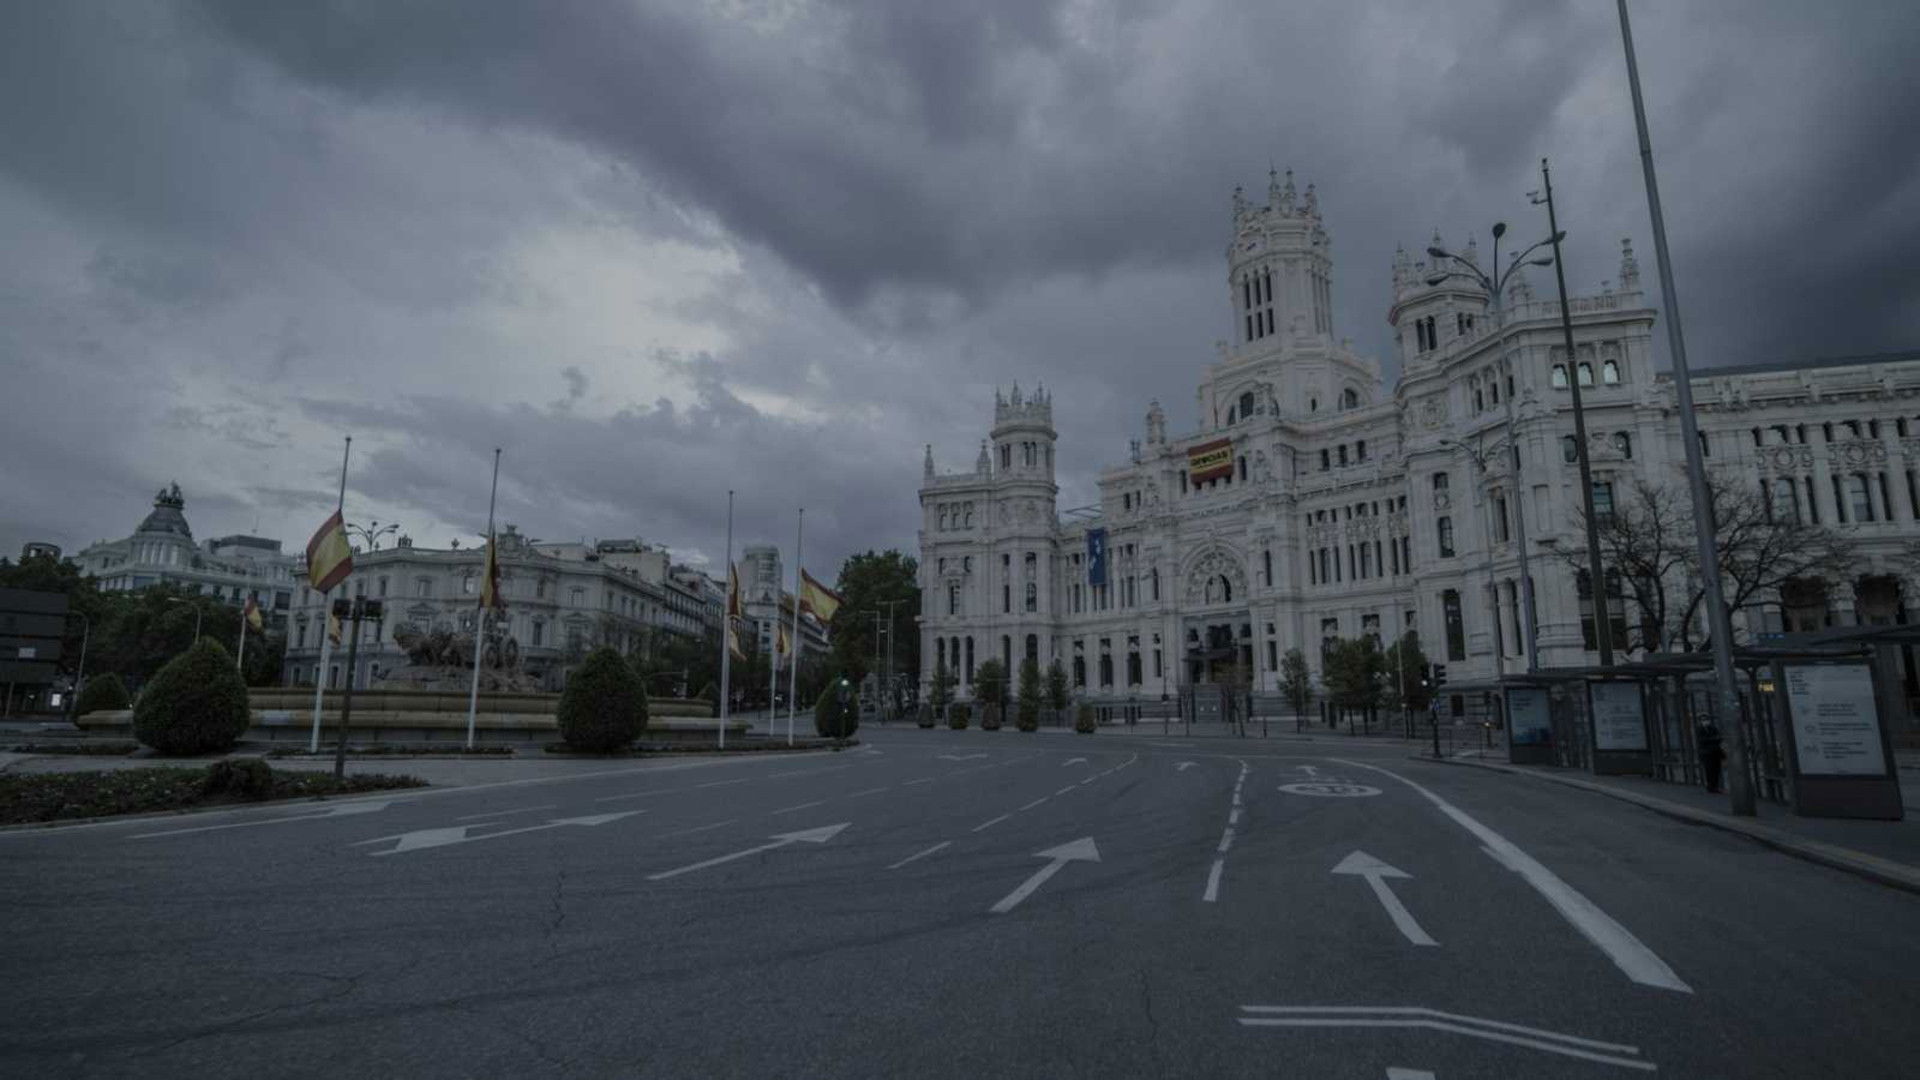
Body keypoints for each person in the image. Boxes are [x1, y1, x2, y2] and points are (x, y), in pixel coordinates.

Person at [1697, 719, 1726, 794]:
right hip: (1707, 753)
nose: (1706, 722)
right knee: (1709, 770)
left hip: (1715, 752)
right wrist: (1713, 739)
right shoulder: (1700, 730)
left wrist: (1712, 740)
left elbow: (1719, 738)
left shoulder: (1713, 728)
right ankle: (1711, 787)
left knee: (1716, 770)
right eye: (1704, 720)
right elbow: (1702, 740)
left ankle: (1714, 786)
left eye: (1706, 719)